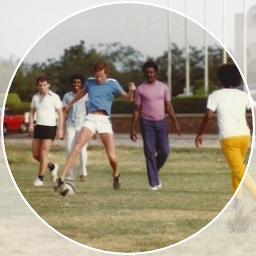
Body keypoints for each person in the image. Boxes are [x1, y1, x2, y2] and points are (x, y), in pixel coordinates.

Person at [54, 61, 136, 192]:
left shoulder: (113, 83)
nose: (98, 79)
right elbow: (81, 93)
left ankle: (116, 175)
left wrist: (131, 91)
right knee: (76, 148)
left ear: (106, 74)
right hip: (90, 119)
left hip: (104, 121)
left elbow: (128, 99)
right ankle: (61, 178)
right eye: (96, 76)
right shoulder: (90, 82)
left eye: (101, 76)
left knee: (112, 157)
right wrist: (69, 105)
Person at [195, 63, 256, 210]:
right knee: (238, 167)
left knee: (238, 169)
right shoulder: (244, 95)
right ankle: (237, 200)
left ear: (220, 79)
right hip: (244, 135)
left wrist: (200, 133)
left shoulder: (215, 95)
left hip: (228, 137)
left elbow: (209, 115)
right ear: (238, 79)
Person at [130, 61, 181, 190]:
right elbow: (136, 110)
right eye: (147, 73)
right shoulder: (140, 89)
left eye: (151, 72)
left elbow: (168, 107)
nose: (149, 75)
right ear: (144, 74)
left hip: (161, 122)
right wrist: (133, 128)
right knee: (149, 152)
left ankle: (153, 172)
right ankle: (153, 183)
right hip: (147, 123)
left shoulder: (163, 87)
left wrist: (175, 122)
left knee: (164, 151)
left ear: (156, 73)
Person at [29, 75, 64, 186]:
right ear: (37, 86)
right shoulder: (35, 97)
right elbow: (31, 112)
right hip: (39, 126)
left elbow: (60, 113)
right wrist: (31, 124)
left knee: (43, 154)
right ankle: (52, 166)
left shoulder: (54, 97)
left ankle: (40, 178)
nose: (42, 87)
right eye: (40, 85)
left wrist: (60, 129)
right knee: (36, 155)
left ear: (48, 84)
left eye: (44, 85)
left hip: (50, 127)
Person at [62, 73, 89, 182]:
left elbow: (90, 111)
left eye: (78, 82)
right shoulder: (67, 96)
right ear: (71, 84)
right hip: (71, 125)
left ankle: (83, 173)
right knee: (69, 149)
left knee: (82, 150)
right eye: (74, 82)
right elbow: (63, 111)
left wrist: (94, 130)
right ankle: (70, 175)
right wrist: (62, 128)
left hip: (83, 125)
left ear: (81, 84)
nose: (76, 84)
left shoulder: (86, 95)